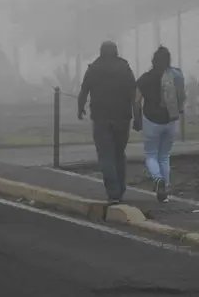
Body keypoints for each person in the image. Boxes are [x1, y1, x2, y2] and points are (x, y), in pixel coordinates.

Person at [78, 41, 136, 204]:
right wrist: (137, 115)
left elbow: (84, 90)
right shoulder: (125, 68)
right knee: (119, 154)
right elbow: (134, 93)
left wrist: (80, 108)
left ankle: (113, 192)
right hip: (123, 118)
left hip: (101, 117)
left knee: (106, 155)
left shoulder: (94, 68)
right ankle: (121, 188)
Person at [134, 46, 185, 203]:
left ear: (153, 60)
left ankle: (158, 179)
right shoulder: (176, 75)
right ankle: (165, 192)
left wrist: (137, 120)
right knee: (164, 156)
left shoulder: (145, 78)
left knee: (151, 155)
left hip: (151, 121)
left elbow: (136, 101)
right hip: (171, 120)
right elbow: (182, 96)